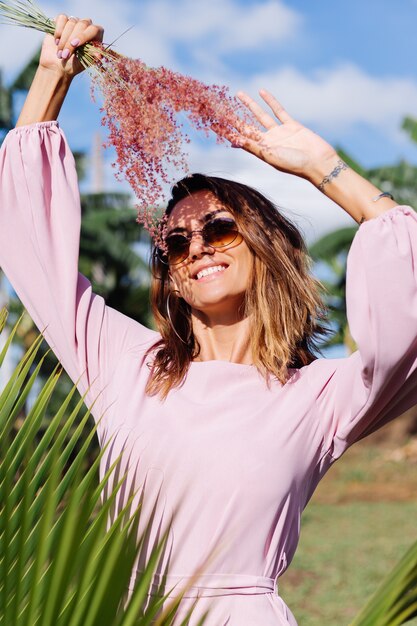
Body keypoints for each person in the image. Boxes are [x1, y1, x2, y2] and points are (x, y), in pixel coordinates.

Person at [1, 15, 417, 626]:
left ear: (264, 246)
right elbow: (29, 241)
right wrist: (49, 78)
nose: (197, 245)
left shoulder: (320, 397)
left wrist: (324, 168)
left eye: (220, 228)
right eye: (175, 242)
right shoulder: (123, 364)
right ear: (170, 274)